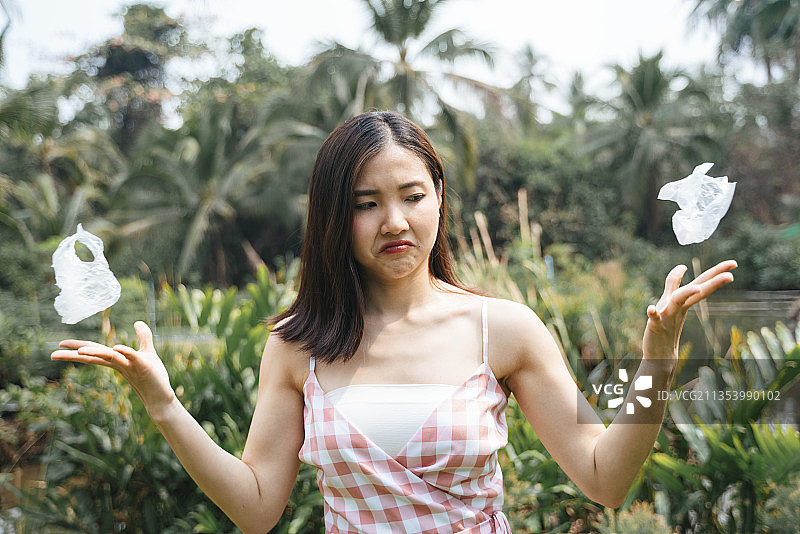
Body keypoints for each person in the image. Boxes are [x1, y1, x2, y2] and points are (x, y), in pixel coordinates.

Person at [52, 111, 737, 533]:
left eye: (413, 195)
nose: (395, 222)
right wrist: (164, 404)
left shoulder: (505, 329)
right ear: (333, 217)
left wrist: (658, 359)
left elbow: (604, 479)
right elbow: (258, 508)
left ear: (440, 197)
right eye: (365, 203)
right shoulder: (298, 348)